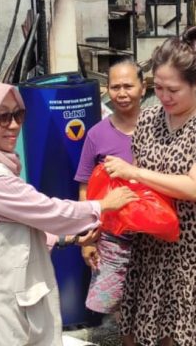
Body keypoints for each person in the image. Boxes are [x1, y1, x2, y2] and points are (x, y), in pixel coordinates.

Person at [0, 78, 137, 346]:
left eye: (19, 114)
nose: (14, 125)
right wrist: (102, 205)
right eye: (3, 117)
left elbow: (4, 227)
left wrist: (69, 239)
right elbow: (49, 211)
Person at [103, 26, 196, 346]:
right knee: (138, 333)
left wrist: (135, 173)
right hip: (150, 249)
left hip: (193, 255)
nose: (164, 96)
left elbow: (194, 187)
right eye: (158, 88)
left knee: (182, 336)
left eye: (173, 90)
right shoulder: (148, 120)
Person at [73, 57, 145, 316]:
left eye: (128, 86)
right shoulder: (96, 134)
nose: (122, 94)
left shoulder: (160, 128)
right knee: (120, 309)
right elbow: (85, 190)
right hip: (114, 239)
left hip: (155, 238)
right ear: (107, 90)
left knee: (158, 309)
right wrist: (87, 239)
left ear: (143, 88)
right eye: (115, 87)